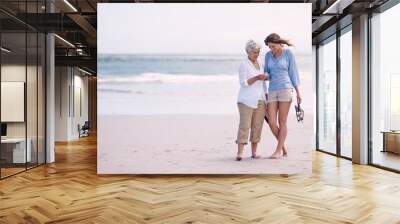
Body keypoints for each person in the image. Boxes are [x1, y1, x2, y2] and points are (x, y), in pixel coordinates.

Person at [264, 33, 301, 159]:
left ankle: (278, 150)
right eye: (269, 47)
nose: (271, 49)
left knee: (282, 121)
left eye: (273, 46)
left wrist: (298, 92)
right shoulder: (268, 55)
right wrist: (265, 76)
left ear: (279, 43)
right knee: (272, 122)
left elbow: (293, 73)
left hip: (286, 88)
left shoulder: (288, 54)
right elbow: (266, 72)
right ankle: (283, 148)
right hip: (272, 90)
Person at [235, 39, 268, 161]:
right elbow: (243, 83)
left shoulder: (261, 63)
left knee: (257, 126)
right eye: (254, 52)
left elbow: (263, 83)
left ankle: (254, 152)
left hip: (260, 99)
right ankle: (240, 153)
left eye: (258, 52)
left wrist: (267, 97)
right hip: (246, 100)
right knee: (245, 125)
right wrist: (257, 77)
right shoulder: (244, 64)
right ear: (248, 52)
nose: (257, 54)